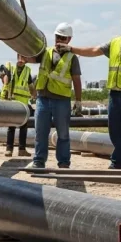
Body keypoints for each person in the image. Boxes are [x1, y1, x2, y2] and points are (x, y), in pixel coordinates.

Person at [61, 8, 121, 170]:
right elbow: (94, 50)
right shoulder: (115, 43)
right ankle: (117, 163)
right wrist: (71, 49)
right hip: (115, 96)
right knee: (115, 132)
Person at [23, 23, 83, 169]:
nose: (59, 40)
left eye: (63, 38)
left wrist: (78, 100)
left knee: (63, 133)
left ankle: (63, 162)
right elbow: (29, 58)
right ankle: (38, 161)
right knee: (40, 132)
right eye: (58, 37)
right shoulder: (46, 52)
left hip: (61, 100)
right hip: (43, 98)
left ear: (69, 39)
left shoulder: (72, 58)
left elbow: (76, 80)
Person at [0, 54, 36, 157]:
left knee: (23, 126)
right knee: (12, 126)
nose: (22, 60)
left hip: (23, 103)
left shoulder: (27, 70)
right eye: (20, 57)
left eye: (24, 57)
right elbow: (2, 75)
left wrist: (34, 96)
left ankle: (22, 149)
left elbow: (30, 85)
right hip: (13, 101)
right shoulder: (11, 68)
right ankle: (9, 149)